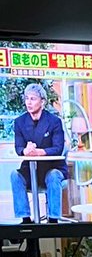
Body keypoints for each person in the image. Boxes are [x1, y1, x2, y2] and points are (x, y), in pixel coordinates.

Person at [10, 82, 67, 223]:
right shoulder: (19, 122)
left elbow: (58, 148)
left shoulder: (54, 121)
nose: (29, 102)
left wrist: (39, 152)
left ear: (42, 102)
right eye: (27, 98)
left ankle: (53, 219)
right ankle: (25, 219)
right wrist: (26, 150)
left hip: (52, 167)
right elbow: (18, 148)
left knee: (53, 176)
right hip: (30, 169)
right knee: (15, 176)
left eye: (33, 99)